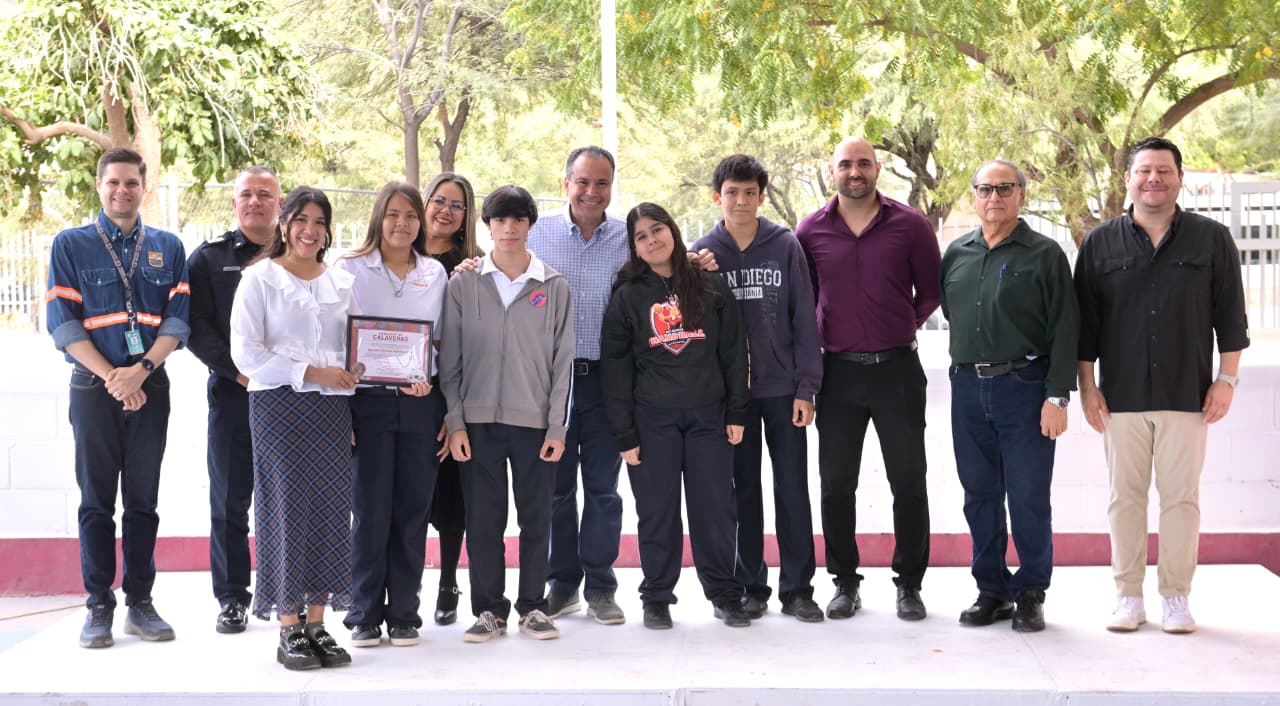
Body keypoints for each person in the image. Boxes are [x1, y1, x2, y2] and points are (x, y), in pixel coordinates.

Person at [1075, 137, 1249, 634]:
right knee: (1123, 499)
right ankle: (1127, 595)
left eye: (1164, 171)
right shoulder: (1099, 243)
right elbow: (1085, 326)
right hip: (1121, 396)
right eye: (1144, 171)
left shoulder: (1211, 240)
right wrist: (1088, 387)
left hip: (1188, 394)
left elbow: (1231, 319)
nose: (1154, 179)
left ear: (1179, 178)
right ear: (1127, 179)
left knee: (1181, 499)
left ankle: (1176, 596)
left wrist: (1226, 381)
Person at [46, 147, 190, 649]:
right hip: (93, 388)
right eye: (113, 183)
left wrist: (142, 371)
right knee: (96, 503)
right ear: (100, 186)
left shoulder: (168, 248)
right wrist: (114, 378)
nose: (122, 191)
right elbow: (62, 324)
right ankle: (98, 605)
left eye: (131, 182)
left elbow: (178, 320)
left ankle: (140, 604)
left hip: (151, 388)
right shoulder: (71, 245)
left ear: (143, 187)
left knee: (144, 503)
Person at [796, 137, 941, 621]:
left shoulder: (910, 224)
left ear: (877, 168)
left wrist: (897, 323)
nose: (854, 172)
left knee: (909, 482)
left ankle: (910, 584)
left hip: (898, 371)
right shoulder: (810, 230)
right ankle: (844, 582)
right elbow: (803, 300)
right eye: (845, 164)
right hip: (837, 375)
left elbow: (931, 291)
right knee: (837, 484)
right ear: (831, 170)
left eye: (863, 163)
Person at [940, 160, 1079, 633]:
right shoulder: (957, 252)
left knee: (1028, 496)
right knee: (979, 495)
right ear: (974, 196)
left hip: (1025, 387)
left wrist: (1057, 396)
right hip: (966, 387)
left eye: (1004, 188)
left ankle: (1031, 591)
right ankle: (992, 590)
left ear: (1021, 194)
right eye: (985, 189)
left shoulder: (1044, 254)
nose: (994, 197)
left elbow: (1066, 327)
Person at [601, 202, 750, 630]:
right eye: (641, 236)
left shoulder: (712, 286)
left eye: (657, 229)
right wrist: (624, 433)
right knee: (657, 511)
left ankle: (725, 593)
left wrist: (737, 410)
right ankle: (657, 597)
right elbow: (616, 369)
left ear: (673, 230)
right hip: (652, 422)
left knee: (716, 509)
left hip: (709, 418)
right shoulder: (628, 295)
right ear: (634, 247)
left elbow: (733, 353)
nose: (652, 240)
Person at [690, 155, 824, 623]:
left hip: (784, 388)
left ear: (762, 197)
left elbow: (805, 318)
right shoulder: (703, 253)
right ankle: (751, 586)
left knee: (791, 489)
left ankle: (798, 588)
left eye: (750, 192)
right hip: (733, 398)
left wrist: (807, 387)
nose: (741, 201)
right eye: (732, 192)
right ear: (717, 197)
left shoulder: (784, 245)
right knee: (742, 491)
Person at [438, 185, 575, 644]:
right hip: (477, 426)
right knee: (483, 521)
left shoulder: (553, 286)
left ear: (529, 225)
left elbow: (563, 363)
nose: (509, 228)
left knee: (536, 519)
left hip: (535, 425)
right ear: (488, 226)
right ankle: (489, 610)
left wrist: (557, 425)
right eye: (500, 220)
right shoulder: (464, 283)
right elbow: (450, 360)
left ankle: (533, 607)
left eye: (518, 219)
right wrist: (455, 421)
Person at [230, 186, 358, 670]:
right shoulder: (259, 279)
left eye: (320, 222)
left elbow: (351, 346)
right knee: (285, 508)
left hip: (331, 410)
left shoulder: (340, 281)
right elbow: (247, 354)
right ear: (284, 224)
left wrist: (363, 368)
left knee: (329, 509)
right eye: (301, 219)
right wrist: (311, 373)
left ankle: (317, 624)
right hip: (278, 408)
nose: (311, 230)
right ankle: (288, 626)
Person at [336, 182, 449, 648]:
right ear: (378, 217)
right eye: (393, 214)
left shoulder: (435, 273)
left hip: (420, 401)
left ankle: (404, 613)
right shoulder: (348, 269)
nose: (402, 224)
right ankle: (363, 614)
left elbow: (439, 342)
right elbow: (334, 339)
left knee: (411, 512)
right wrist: (342, 411)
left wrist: (427, 377)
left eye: (410, 216)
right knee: (369, 511)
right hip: (367, 404)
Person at [528, 146, 631, 624]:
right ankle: (562, 584)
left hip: (608, 382)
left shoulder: (627, 236)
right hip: (553, 384)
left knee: (604, 490)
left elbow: (667, 266)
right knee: (556, 489)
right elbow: (499, 271)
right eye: (583, 182)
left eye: (602, 183)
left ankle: (602, 587)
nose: (593, 192)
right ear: (565, 182)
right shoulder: (537, 233)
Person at [186, 165, 281, 634]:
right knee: (229, 501)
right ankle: (231, 598)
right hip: (235, 395)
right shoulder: (208, 259)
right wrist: (240, 373)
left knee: (287, 500)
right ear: (235, 203)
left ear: (279, 204)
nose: (256, 201)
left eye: (266, 194)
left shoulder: (301, 252)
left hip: (289, 399)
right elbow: (196, 328)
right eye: (247, 194)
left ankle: (288, 592)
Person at [420, 172, 484, 626]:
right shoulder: (399, 254)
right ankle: (401, 584)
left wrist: (453, 408)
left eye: (457, 205)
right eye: (439, 200)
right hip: (405, 395)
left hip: (456, 394)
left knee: (452, 498)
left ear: (467, 217)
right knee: (406, 498)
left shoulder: (475, 265)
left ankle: (447, 583)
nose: (446, 210)